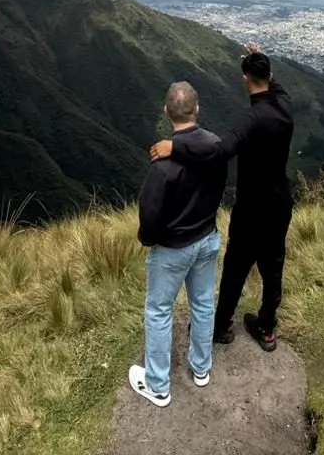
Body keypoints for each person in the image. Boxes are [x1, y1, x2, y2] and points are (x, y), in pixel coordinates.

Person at [149, 43, 293, 352]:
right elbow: (273, 82)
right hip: (281, 203)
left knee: (236, 267)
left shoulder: (252, 119)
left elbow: (218, 151)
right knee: (273, 266)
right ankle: (267, 327)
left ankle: (221, 324)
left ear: (245, 79)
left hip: (252, 207)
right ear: (269, 75)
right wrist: (259, 58)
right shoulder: (284, 102)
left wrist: (175, 147)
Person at [129, 81, 227, 408]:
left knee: (158, 310)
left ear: (166, 112)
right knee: (202, 304)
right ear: (197, 109)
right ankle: (201, 370)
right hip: (208, 238)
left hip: (173, 248)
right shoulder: (214, 148)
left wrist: (148, 239)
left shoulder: (163, 161)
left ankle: (158, 385)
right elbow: (216, 149)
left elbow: (151, 211)